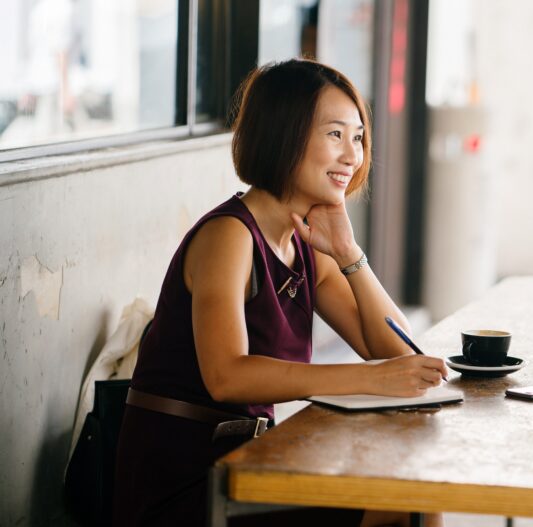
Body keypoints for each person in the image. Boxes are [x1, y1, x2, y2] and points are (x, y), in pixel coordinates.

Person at [113, 58, 448, 527]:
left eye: (357, 137)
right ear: (283, 134)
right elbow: (226, 376)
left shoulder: (309, 245)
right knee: (405, 501)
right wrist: (370, 378)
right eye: (334, 135)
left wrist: (350, 254)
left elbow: (393, 346)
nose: (352, 156)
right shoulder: (229, 236)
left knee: (414, 489)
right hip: (188, 483)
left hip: (252, 460)